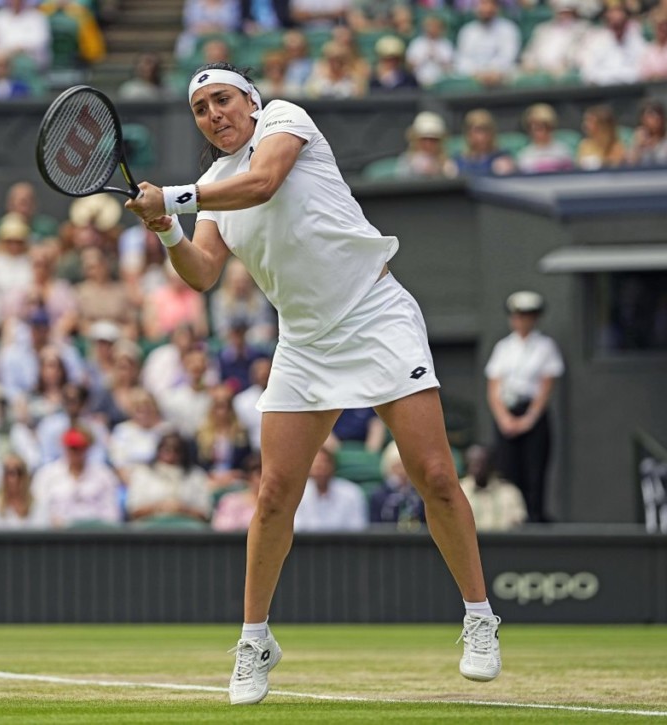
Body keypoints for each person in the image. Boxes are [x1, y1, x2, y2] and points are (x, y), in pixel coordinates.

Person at [124, 61, 501, 705]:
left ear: (250, 100)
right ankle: (254, 638)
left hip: (376, 315)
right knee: (272, 495)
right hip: (304, 342)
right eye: (200, 108)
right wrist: (166, 231)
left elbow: (265, 183)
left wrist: (175, 198)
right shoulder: (215, 183)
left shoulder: (284, 121)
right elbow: (204, 273)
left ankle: (479, 617)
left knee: (435, 475)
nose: (214, 114)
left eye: (223, 100)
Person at [485, 290, 564, 524]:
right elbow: (494, 387)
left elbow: (546, 386)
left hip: (531, 413)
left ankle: (535, 516)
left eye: (526, 316)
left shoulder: (545, 347)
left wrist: (529, 419)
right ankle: (511, 517)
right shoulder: (503, 347)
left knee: (535, 468)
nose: (521, 321)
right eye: (517, 316)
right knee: (508, 469)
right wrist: (503, 419)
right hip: (507, 413)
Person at [293, 443, 368, 532]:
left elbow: (358, 530)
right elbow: (296, 530)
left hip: (344, 544)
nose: (321, 470)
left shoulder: (352, 493)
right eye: (317, 466)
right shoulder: (298, 494)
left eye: (324, 464)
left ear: (332, 466)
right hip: (307, 545)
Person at [459, 445, 527, 532]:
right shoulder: (459, 492)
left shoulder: (510, 492)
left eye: (481, 463)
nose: (477, 469)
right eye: (473, 464)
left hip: (503, 543)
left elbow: (520, 525)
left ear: (490, 465)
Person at [0, 453, 48, 528]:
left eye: (19, 472)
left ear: (26, 477)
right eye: (8, 472)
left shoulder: (39, 506)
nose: (13, 479)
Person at [516, 104, 576, 175]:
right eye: (534, 128)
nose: (538, 132)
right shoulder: (524, 155)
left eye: (542, 127)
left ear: (551, 128)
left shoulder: (563, 151)